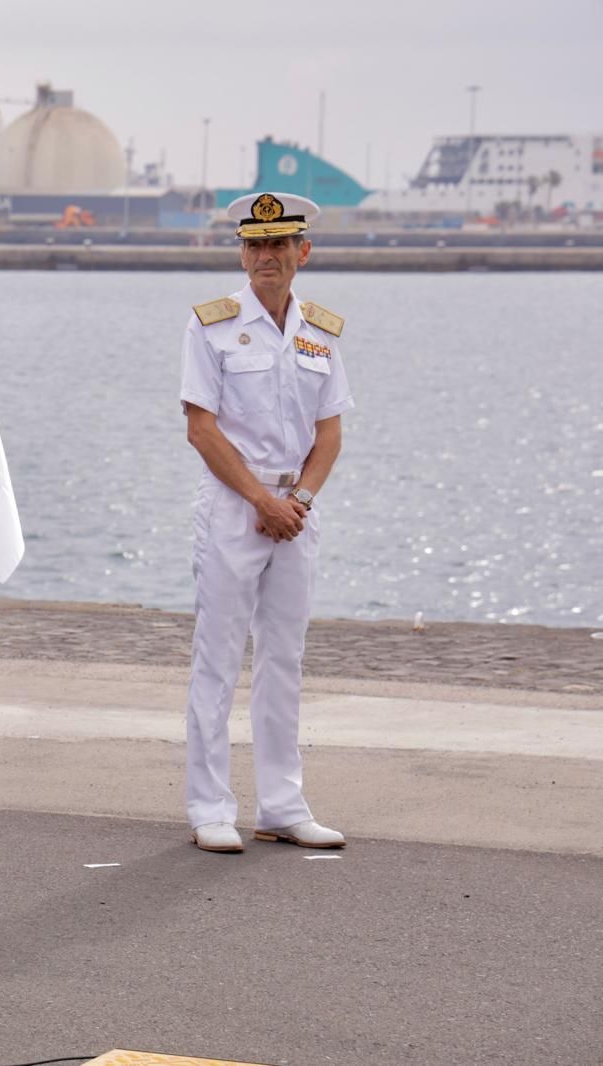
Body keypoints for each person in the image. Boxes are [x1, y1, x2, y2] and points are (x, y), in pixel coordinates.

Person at [178, 191, 355, 854]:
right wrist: (262, 501)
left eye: (279, 246)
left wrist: (298, 503)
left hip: (295, 512)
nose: (266, 258)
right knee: (218, 660)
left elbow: (330, 433)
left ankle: (282, 804)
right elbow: (201, 428)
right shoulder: (212, 326)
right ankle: (210, 806)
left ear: (301, 252)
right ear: (243, 253)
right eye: (255, 245)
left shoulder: (321, 332)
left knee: (284, 659)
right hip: (235, 507)